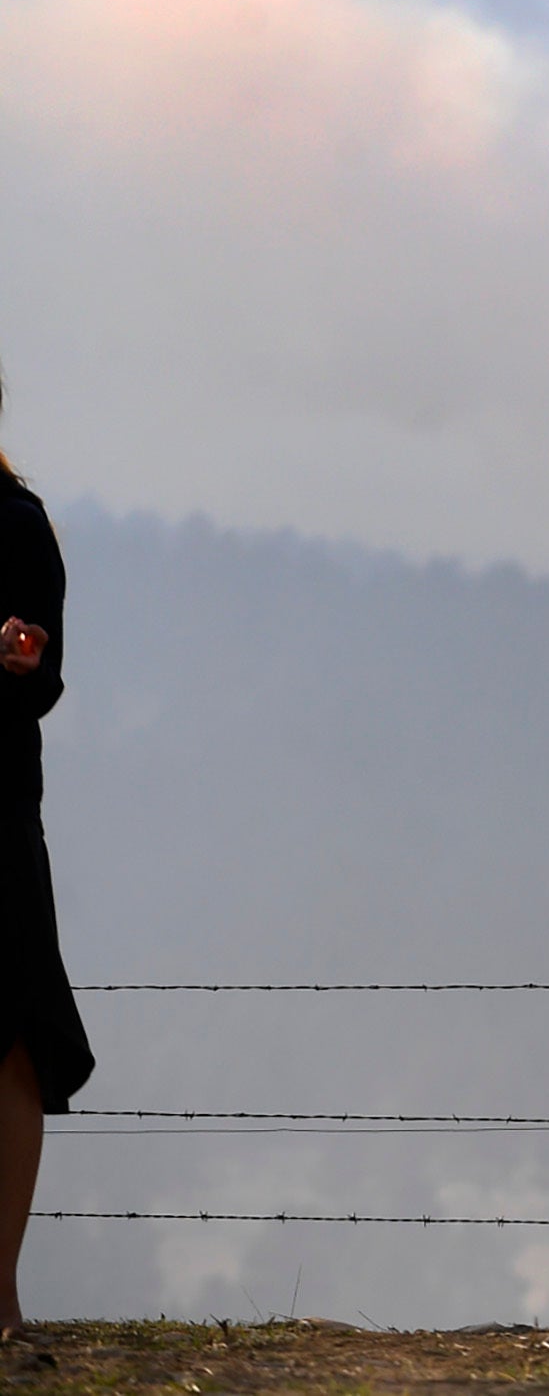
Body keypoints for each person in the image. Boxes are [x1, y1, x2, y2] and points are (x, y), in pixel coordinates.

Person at [0, 379, 95, 1338]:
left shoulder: (19, 523)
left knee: (16, 1037)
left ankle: (2, 1298)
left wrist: (24, 658)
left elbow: (47, 673)